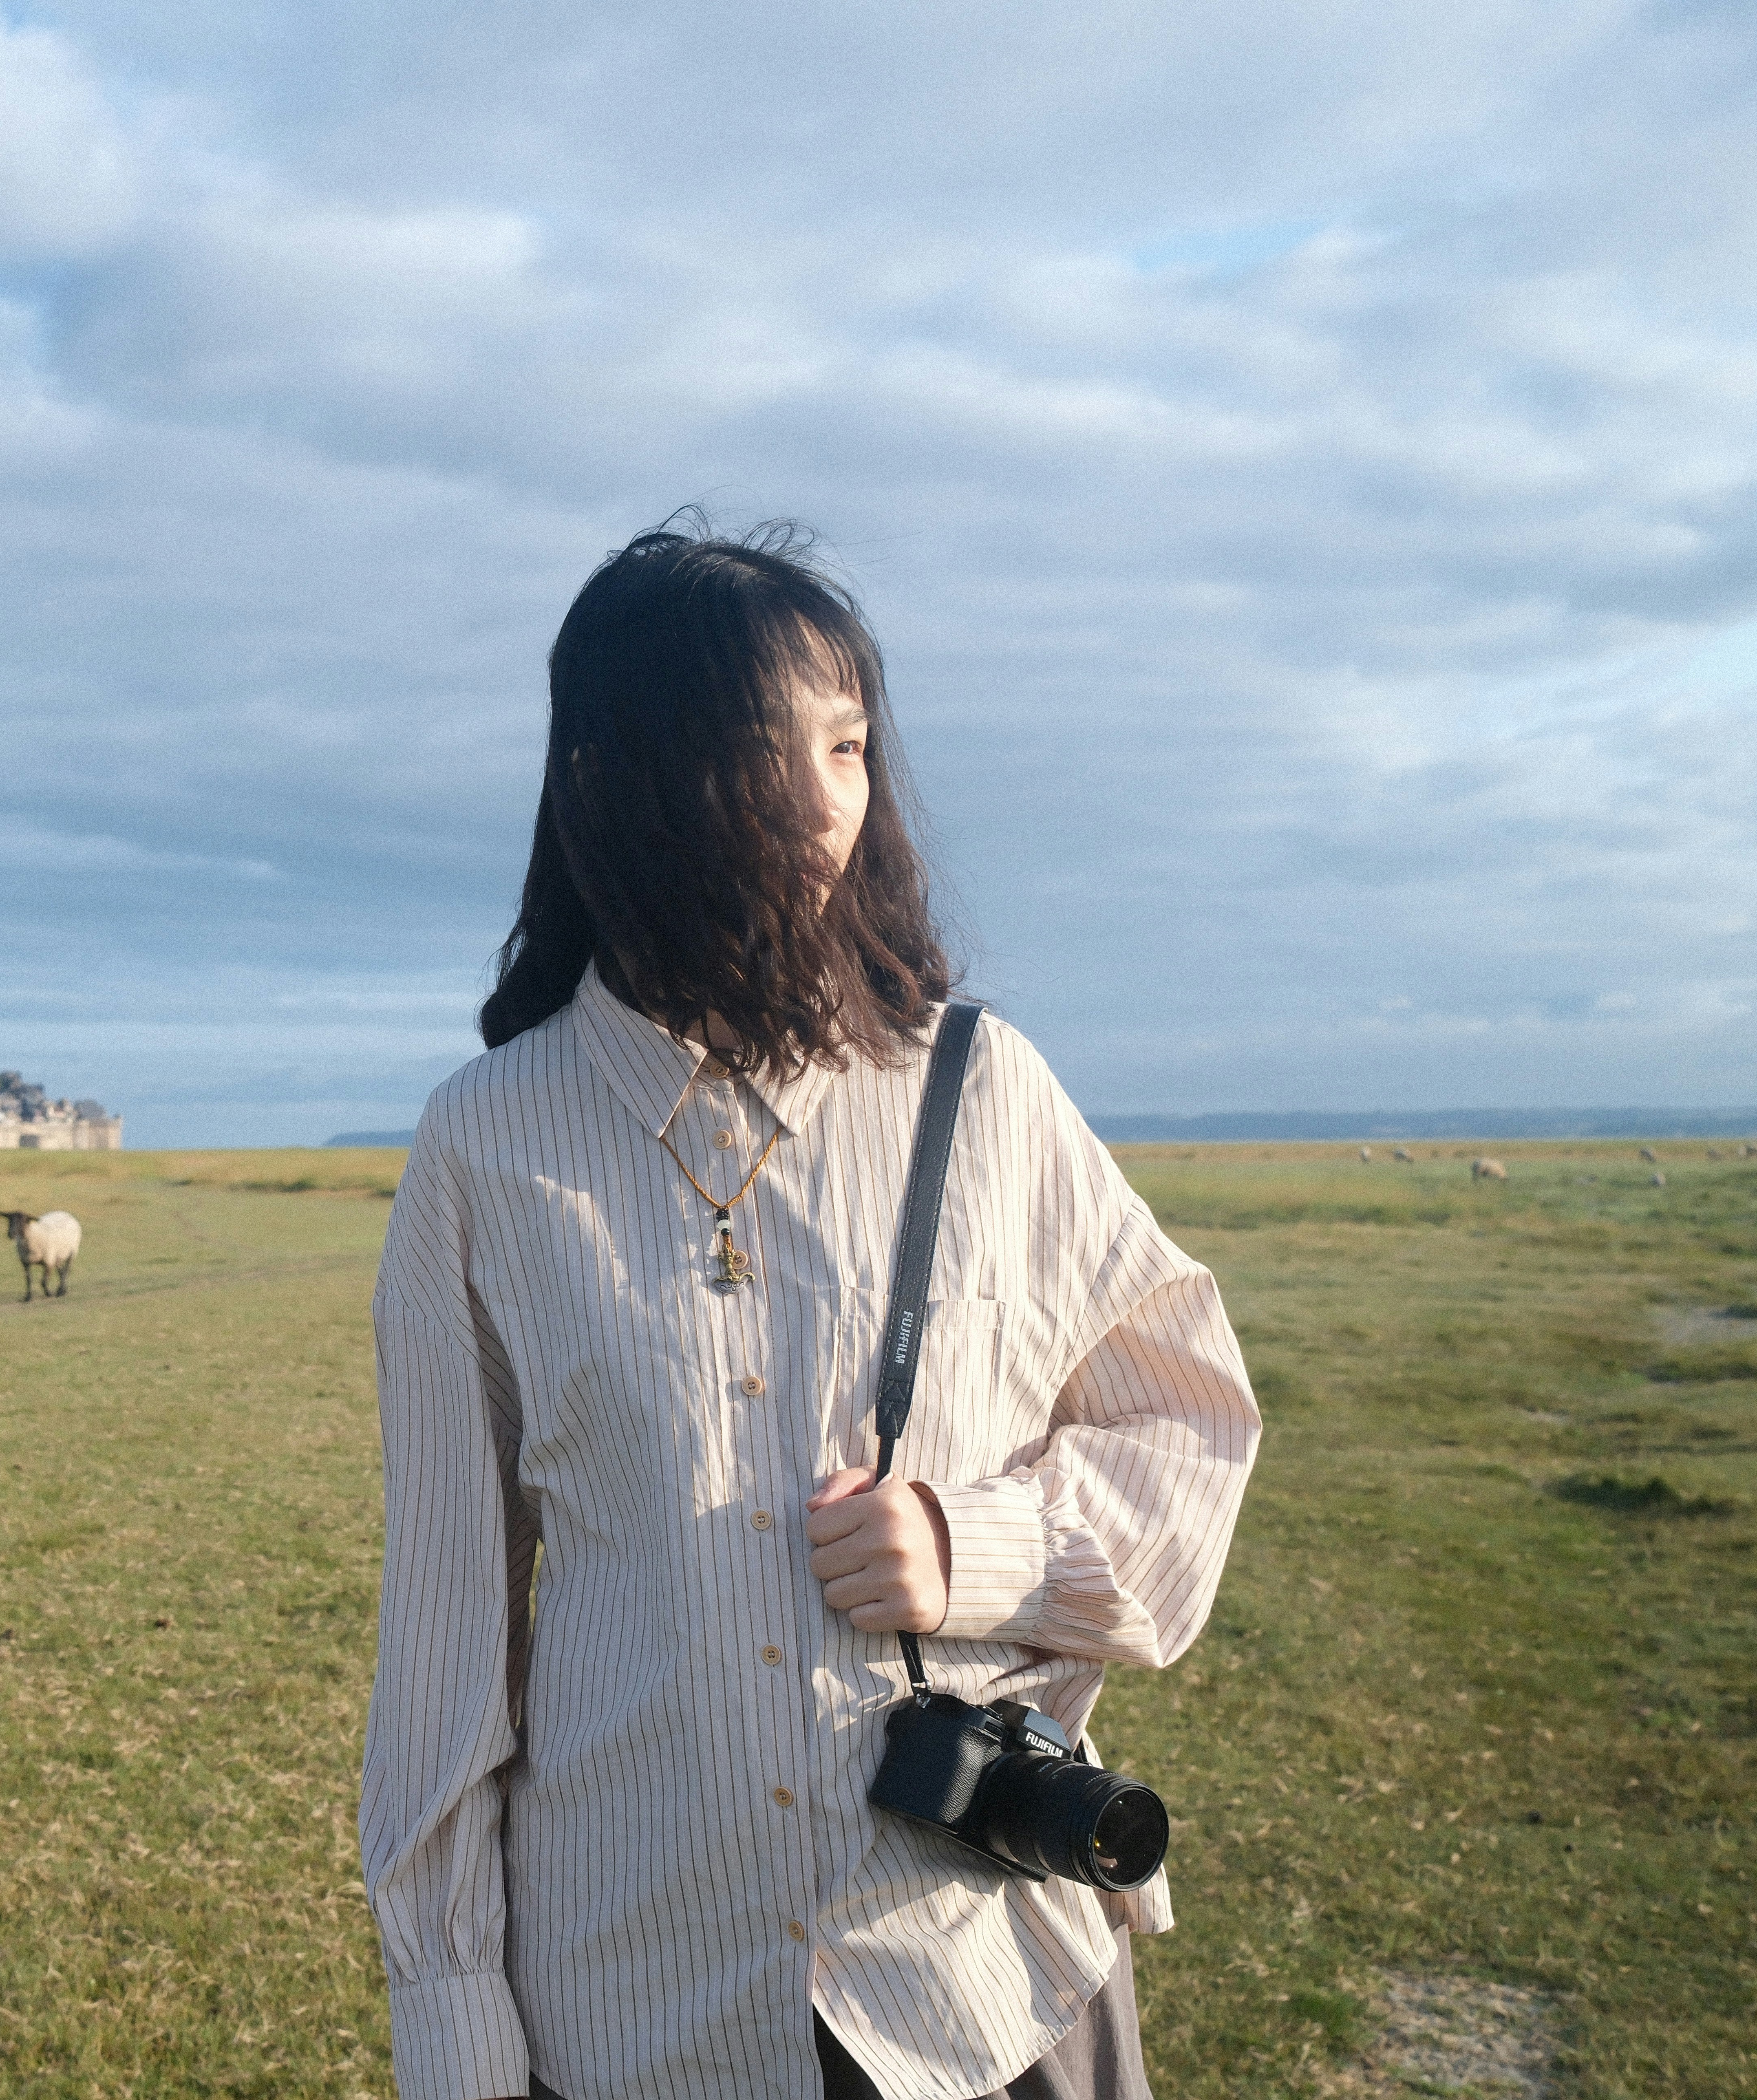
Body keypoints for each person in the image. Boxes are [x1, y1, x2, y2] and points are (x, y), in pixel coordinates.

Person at [360, 523, 1261, 2100]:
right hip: (638, 2005)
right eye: (759, 751)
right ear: (616, 778)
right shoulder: (484, 1148)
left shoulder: (985, 1093)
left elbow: (1189, 1425)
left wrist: (975, 1548)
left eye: (846, 747)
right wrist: (454, 2022)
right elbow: (446, 1638)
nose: (824, 803)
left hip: (980, 1984)